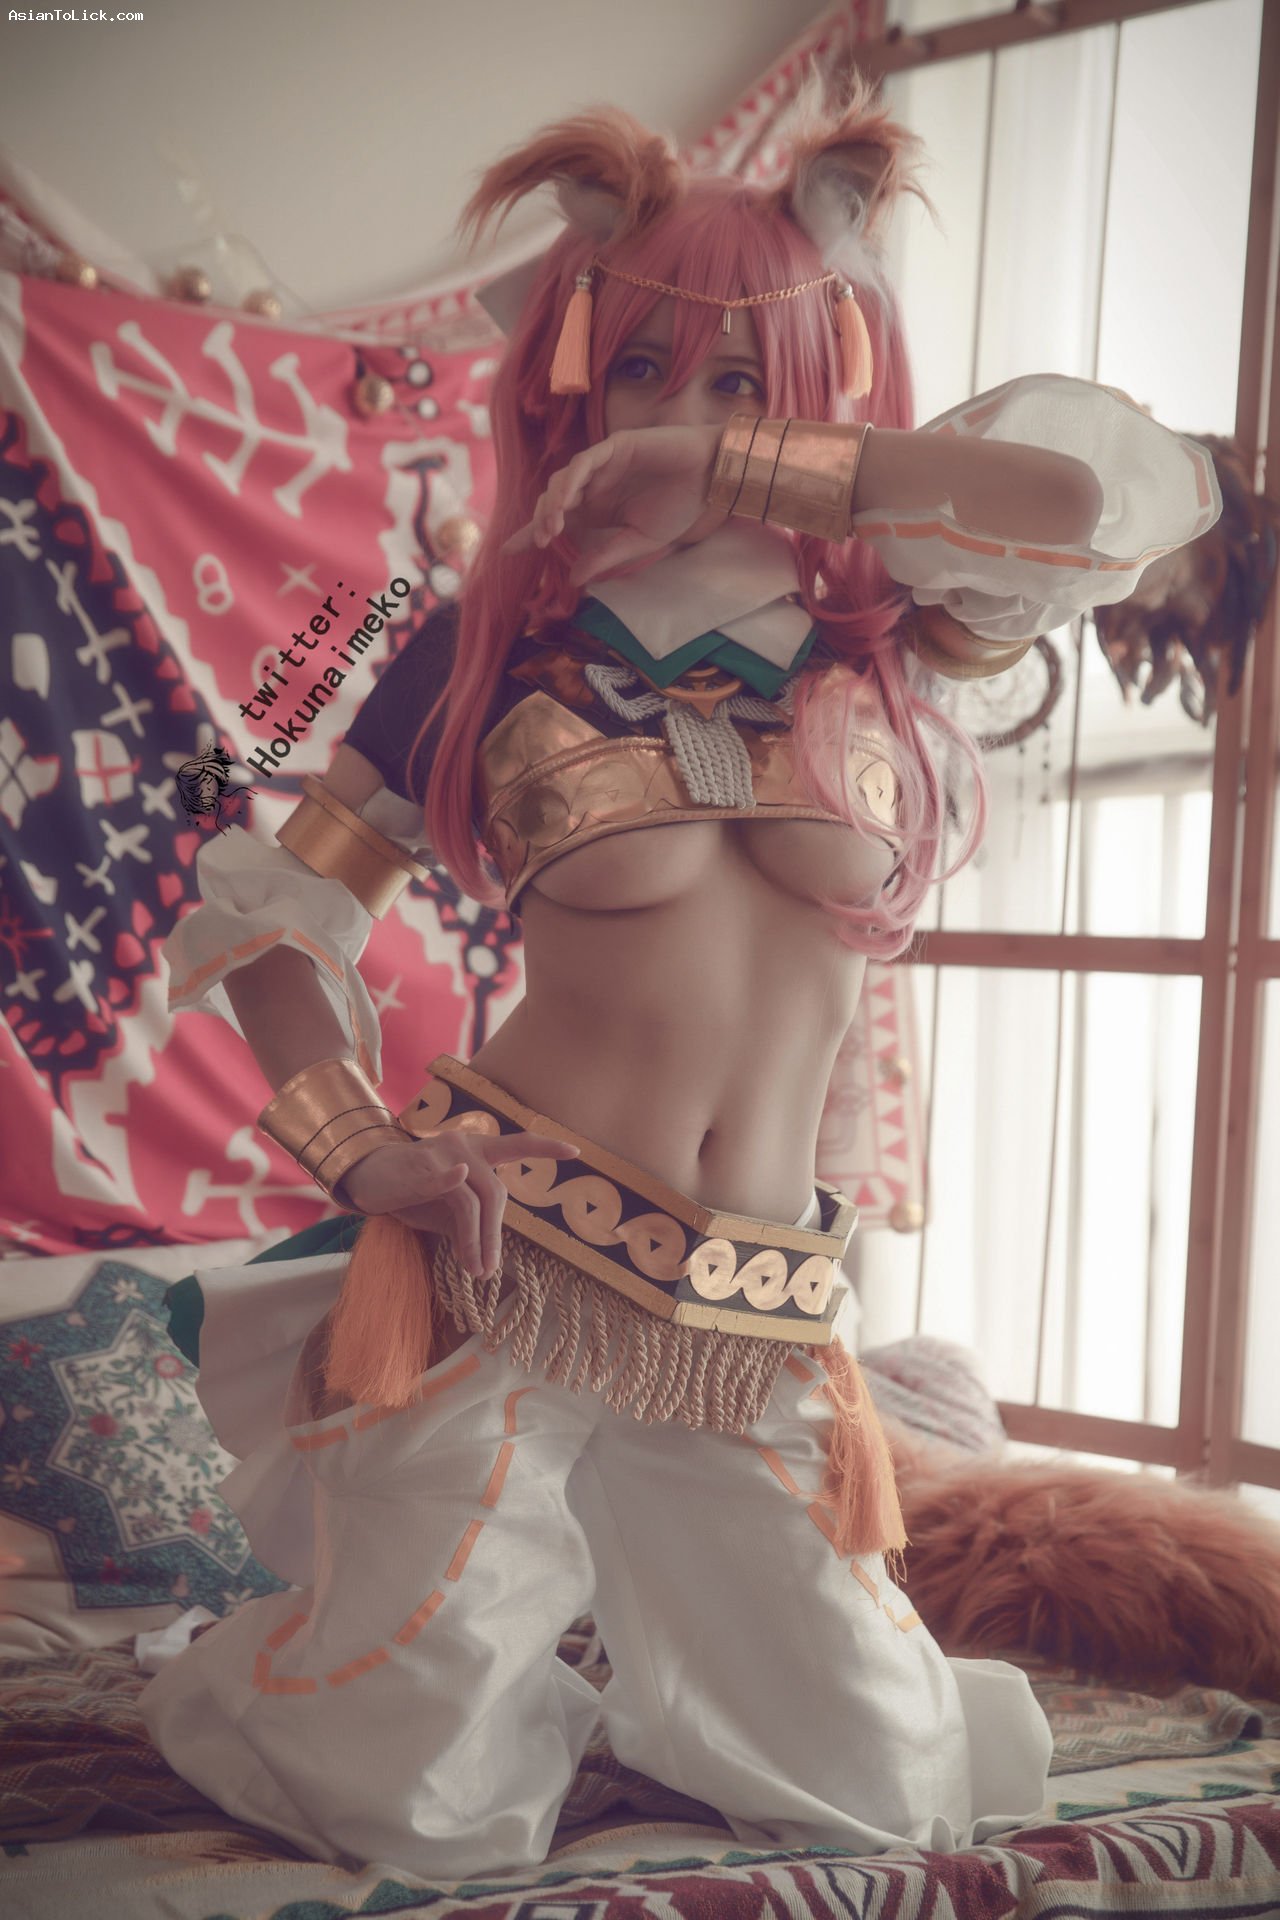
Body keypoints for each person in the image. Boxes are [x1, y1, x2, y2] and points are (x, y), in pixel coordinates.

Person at [140, 76, 1222, 1881]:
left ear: (824, 384)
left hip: (763, 1303)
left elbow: (1106, 501)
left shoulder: (911, 629)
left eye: (742, 376)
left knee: (875, 1790)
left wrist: (733, 472)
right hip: (507, 1258)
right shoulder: (468, 645)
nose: (680, 411)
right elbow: (262, 908)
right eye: (641, 368)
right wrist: (361, 1152)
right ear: (568, 381)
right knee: (415, 1792)